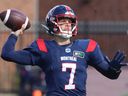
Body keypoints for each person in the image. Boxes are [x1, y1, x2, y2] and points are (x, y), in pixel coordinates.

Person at [1, 5, 126, 96]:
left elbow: (111, 75)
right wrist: (15, 33)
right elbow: (7, 54)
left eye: (70, 22)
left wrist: (114, 69)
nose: (67, 24)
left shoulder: (87, 47)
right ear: (52, 24)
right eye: (63, 21)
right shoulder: (43, 48)